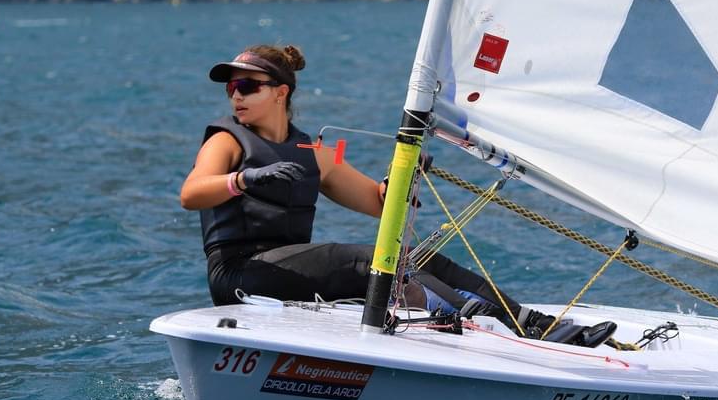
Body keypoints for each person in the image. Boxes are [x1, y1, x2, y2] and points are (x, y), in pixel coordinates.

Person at [179, 44, 597, 341]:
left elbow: (380, 204)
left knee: (421, 258)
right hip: (239, 273)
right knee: (372, 260)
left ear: (280, 91)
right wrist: (243, 180)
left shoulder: (315, 152)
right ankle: (479, 320)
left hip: (291, 271)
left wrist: (403, 178)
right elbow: (191, 193)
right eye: (231, 88)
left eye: (247, 86)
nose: (236, 95)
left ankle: (531, 322)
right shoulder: (226, 141)